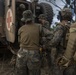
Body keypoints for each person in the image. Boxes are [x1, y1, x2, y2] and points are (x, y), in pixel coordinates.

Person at [14, 10, 42, 75]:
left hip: (21, 53)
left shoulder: (20, 29)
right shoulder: (39, 27)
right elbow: (49, 36)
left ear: (24, 19)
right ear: (32, 18)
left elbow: (19, 41)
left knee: (20, 72)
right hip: (34, 54)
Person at [50, 8, 72, 75]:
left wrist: (48, 44)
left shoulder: (60, 27)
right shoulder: (72, 27)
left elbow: (54, 42)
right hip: (70, 54)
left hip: (60, 55)